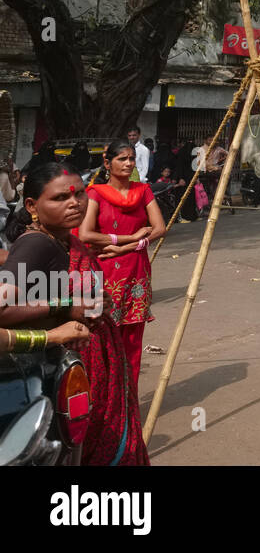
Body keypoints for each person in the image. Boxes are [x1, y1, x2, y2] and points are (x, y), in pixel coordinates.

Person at [0, 162, 149, 464]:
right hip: (49, 373)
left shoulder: (66, 240)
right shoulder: (36, 246)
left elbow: (77, 294)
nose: (74, 203)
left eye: (79, 195)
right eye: (60, 198)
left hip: (81, 370)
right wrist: (67, 304)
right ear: (32, 205)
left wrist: (97, 302)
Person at [80, 140, 166, 390]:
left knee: (132, 343)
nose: (128, 163)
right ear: (108, 163)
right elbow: (85, 234)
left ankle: (128, 402)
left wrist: (128, 247)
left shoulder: (143, 191)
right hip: (105, 273)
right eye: (122, 159)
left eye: (131, 158)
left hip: (136, 271)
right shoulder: (95, 193)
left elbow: (159, 228)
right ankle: (103, 402)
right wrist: (128, 239)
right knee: (102, 339)